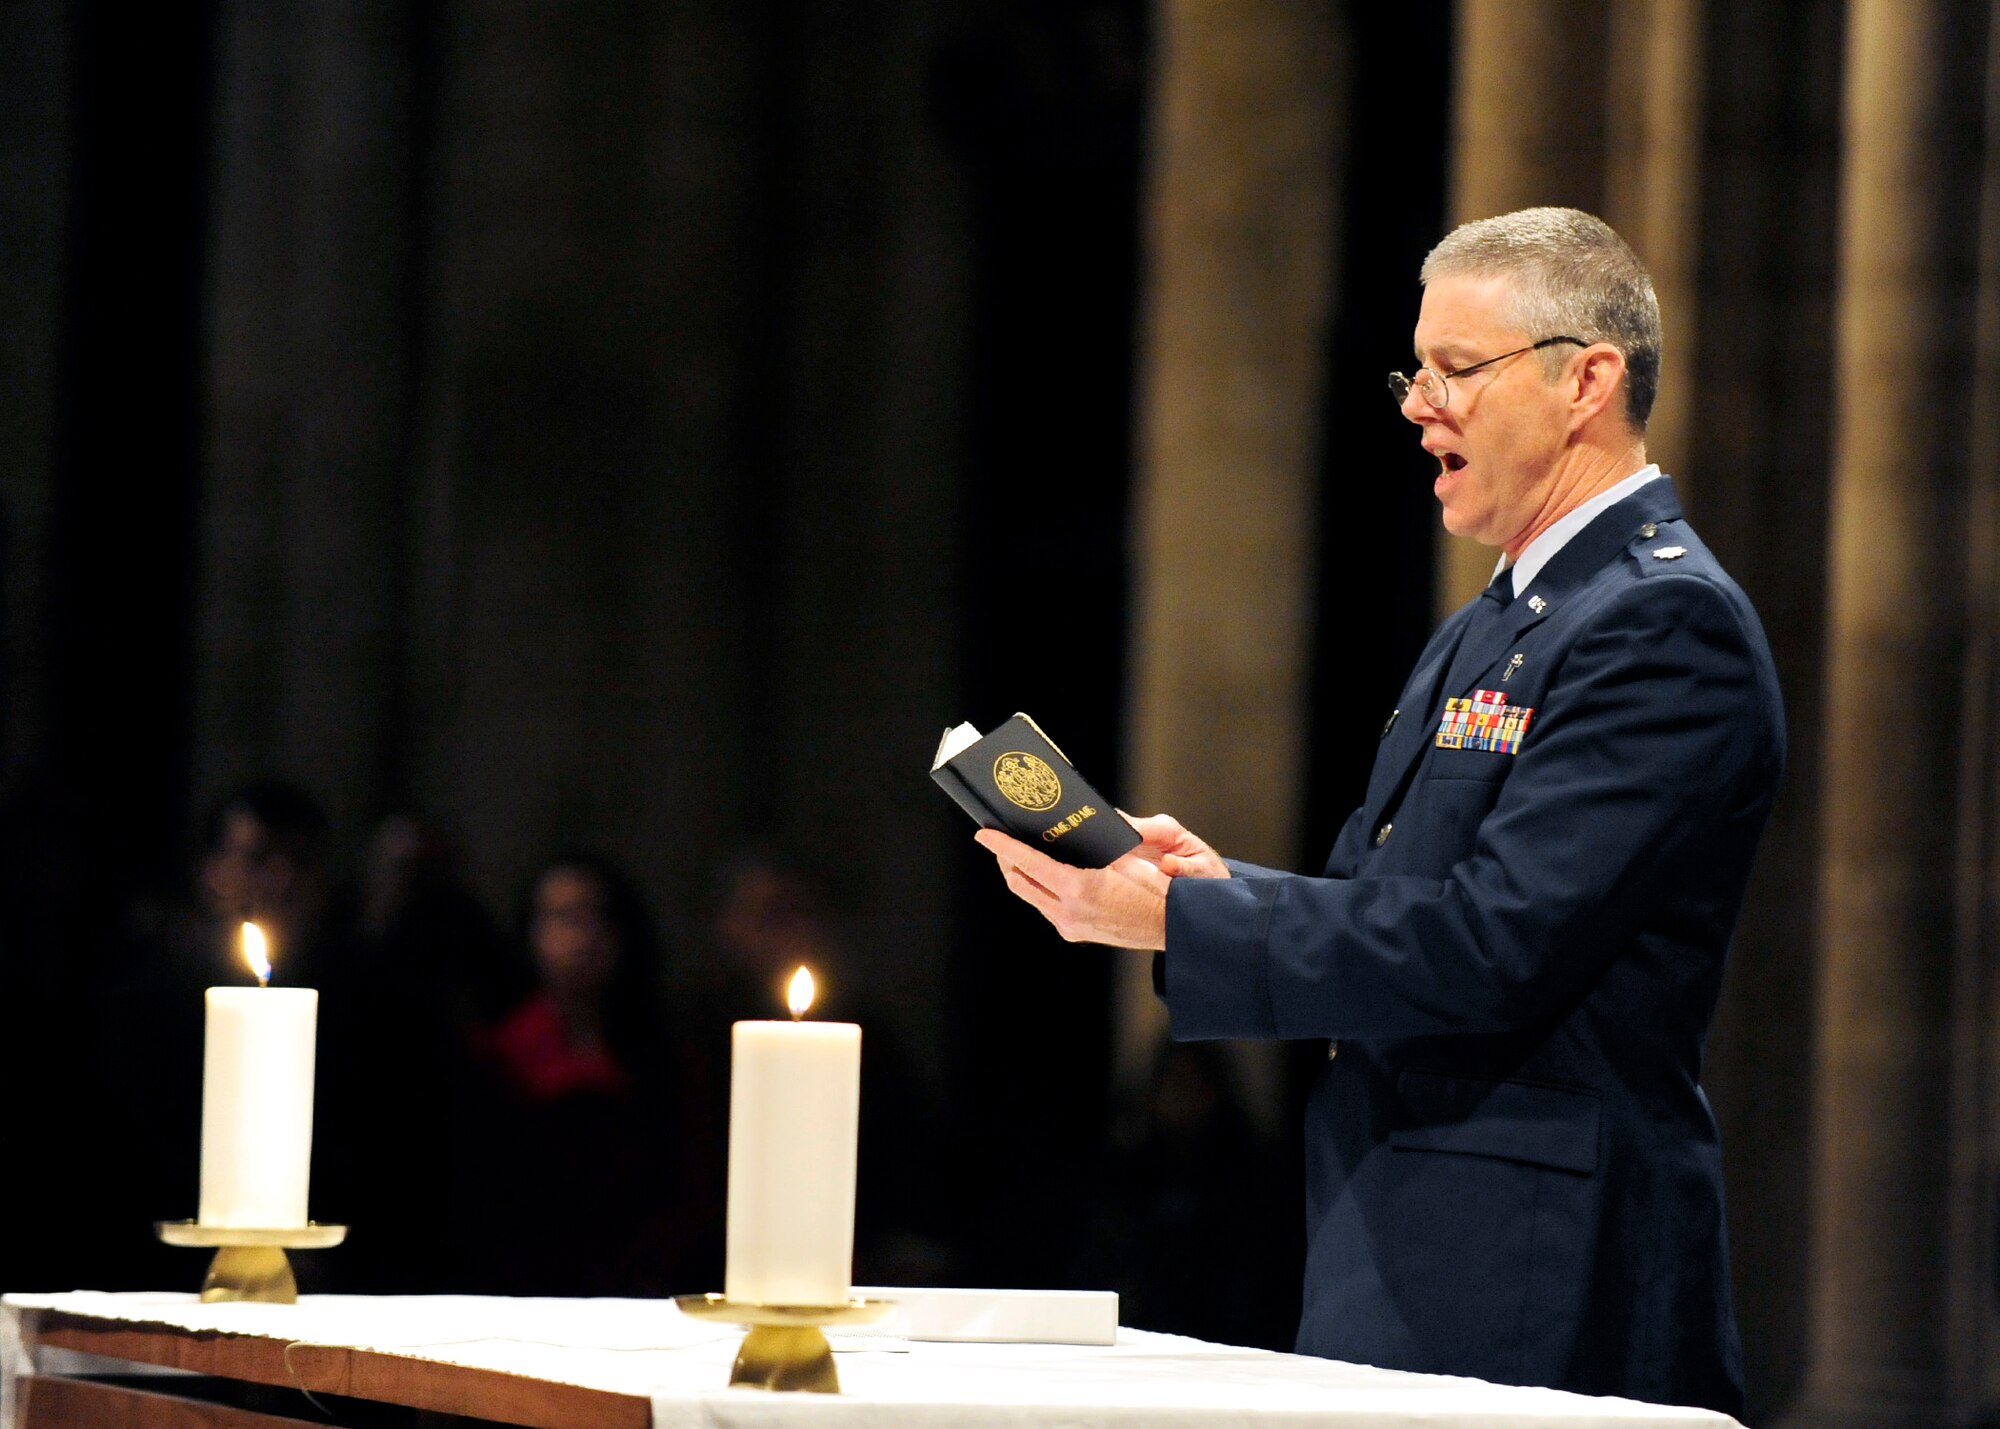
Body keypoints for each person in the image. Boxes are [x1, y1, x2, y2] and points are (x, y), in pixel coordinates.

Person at [974, 208, 1783, 1416]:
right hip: (1402, 1240)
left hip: (1539, 1268)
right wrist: (1211, 888)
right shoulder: (1493, 622)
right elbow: (1389, 905)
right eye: (1417, 372)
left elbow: (1491, 947)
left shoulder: (1661, 625)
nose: (1417, 404)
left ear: (1587, 381)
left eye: (1457, 370)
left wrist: (1175, 930)